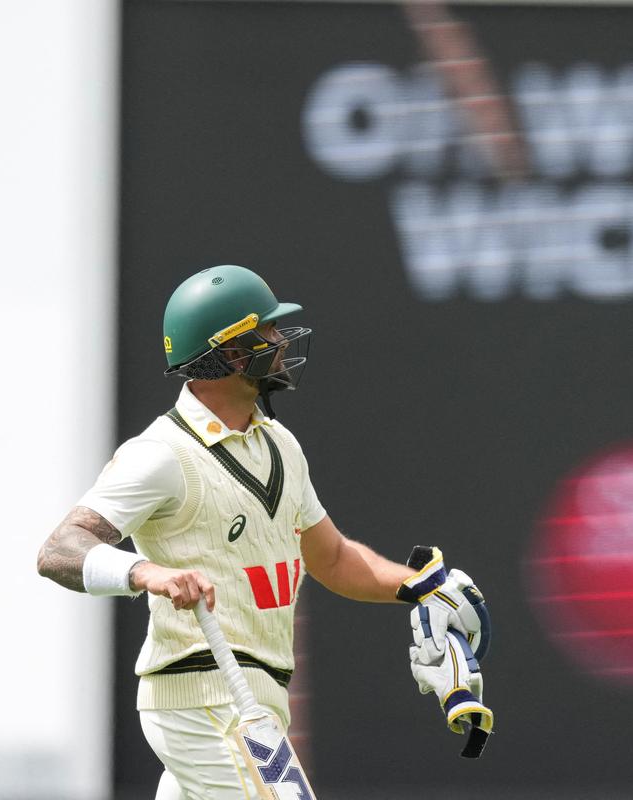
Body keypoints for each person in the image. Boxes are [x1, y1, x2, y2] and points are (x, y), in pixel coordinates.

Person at [36, 264, 491, 799]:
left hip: (257, 698)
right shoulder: (161, 454)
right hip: (204, 696)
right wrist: (146, 572)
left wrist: (417, 585)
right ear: (231, 352)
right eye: (268, 331)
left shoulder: (281, 446)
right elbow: (60, 550)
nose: (281, 342)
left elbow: (332, 558)